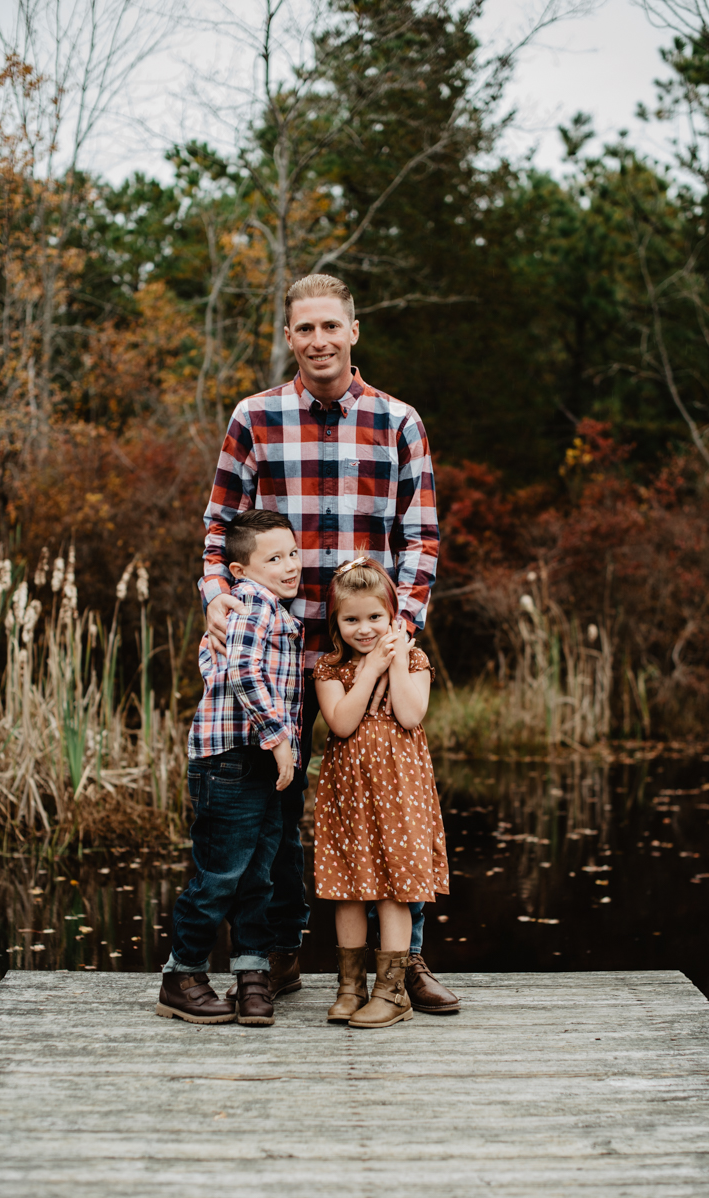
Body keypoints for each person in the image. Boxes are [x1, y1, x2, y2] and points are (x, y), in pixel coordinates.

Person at [201, 272, 458, 1014]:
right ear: (289, 336)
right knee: (274, 806)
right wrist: (218, 596)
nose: (319, 340)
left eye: (330, 326)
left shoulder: (397, 421)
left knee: (393, 797)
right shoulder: (255, 417)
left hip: (366, 645)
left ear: (353, 331)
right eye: (305, 328)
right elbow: (220, 526)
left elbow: (421, 535)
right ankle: (280, 952)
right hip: (278, 649)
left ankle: (404, 962)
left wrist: (397, 632)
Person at [156, 509, 304, 1027]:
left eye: (293, 553)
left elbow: (218, 664)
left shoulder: (267, 609)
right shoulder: (252, 604)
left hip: (254, 762)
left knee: (259, 877)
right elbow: (243, 671)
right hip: (232, 761)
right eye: (274, 558)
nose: (290, 565)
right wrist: (279, 738)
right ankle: (182, 975)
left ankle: (251, 973)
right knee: (219, 876)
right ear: (239, 570)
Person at [313, 557, 448, 1028]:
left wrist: (393, 665)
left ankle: (392, 992)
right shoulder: (329, 669)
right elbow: (342, 723)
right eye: (351, 619)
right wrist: (369, 670)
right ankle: (350, 987)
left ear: (393, 616)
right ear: (336, 623)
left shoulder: (414, 660)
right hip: (349, 796)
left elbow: (410, 715)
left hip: (400, 794)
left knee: (396, 889)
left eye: (375, 617)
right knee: (347, 888)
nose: (364, 628)